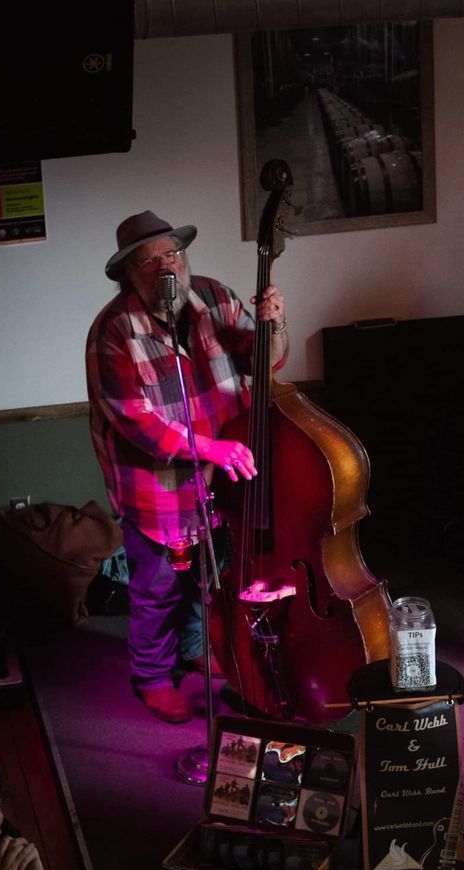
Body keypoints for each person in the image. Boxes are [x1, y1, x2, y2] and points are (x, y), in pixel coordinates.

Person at [86, 210, 289, 722]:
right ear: (129, 274)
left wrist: (275, 325)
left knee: (215, 572)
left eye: (171, 254)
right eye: (149, 261)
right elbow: (134, 419)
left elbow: (264, 361)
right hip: (158, 487)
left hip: (226, 475)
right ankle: (152, 677)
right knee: (156, 588)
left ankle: (196, 650)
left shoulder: (216, 297)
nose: (165, 267)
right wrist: (211, 448)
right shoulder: (113, 331)